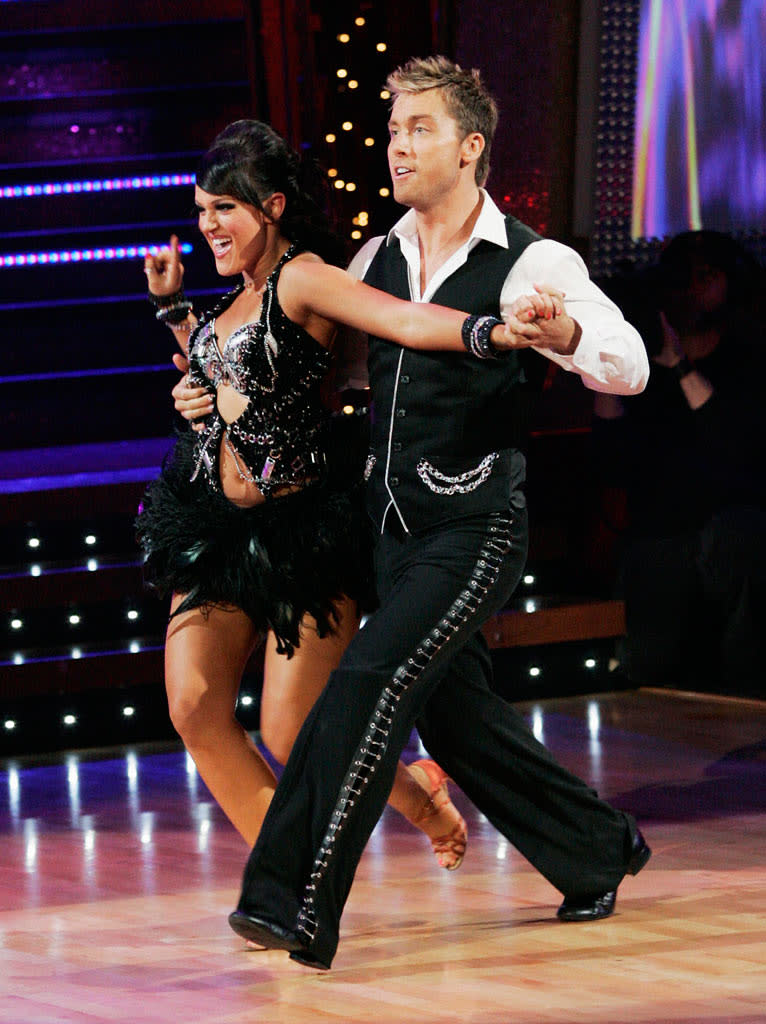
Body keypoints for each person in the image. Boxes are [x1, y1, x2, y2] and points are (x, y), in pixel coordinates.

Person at [227, 57, 652, 970]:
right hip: (391, 531)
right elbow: (304, 367)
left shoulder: (531, 259)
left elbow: (629, 360)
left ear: (471, 147)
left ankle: (289, 898)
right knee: (460, 723)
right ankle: (596, 851)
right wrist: (214, 383)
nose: (397, 147)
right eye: (392, 132)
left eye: (419, 129)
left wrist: (568, 335)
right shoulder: (376, 258)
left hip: (475, 528)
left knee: (370, 680)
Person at [136, 118, 541, 877]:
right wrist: (177, 321)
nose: (208, 226)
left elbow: (404, 320)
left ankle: (414, 795)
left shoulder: (304, 276)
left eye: (224, 209)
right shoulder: (234, 296)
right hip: (215, 528)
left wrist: (490, 332)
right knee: (192, 705)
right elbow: (227, 368)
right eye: (200, 211)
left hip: (302, 533)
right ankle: (286, 878)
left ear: (274, 206)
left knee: (290, 733)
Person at [593, 230, 766, 694]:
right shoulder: (649, 367)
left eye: (705, 277)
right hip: (663, 528)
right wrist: (605, 381)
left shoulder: (748, 356)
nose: (691, 289)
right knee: (654, 558)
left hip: (734, 522)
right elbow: (614, 461)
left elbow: (737, 439)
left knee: (732, 543)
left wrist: (681, 366)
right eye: (681, 279)